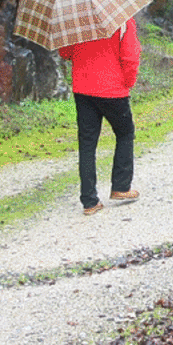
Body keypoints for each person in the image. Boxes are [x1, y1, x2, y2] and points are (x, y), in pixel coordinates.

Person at [59, 17, 141, 215]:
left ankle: (89, 202)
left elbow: (65, 52)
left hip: (83, 88)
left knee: (87, 144)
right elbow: (130, 56)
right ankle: (121, 187)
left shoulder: (76, 19)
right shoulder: (122, 19)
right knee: (125, 133)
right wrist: (128, 82)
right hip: (113, 90)